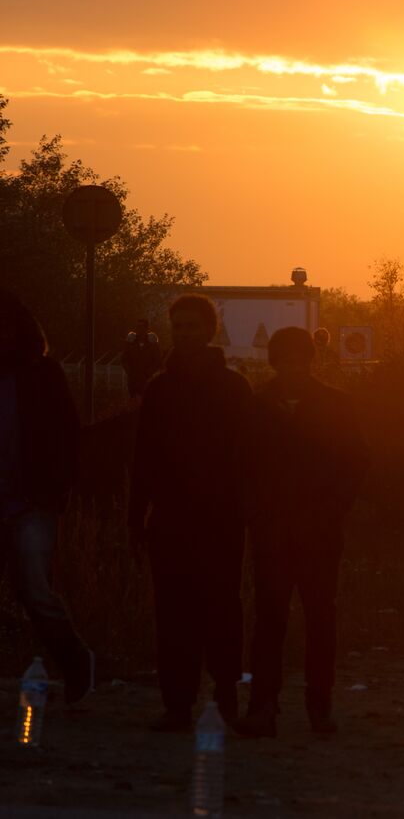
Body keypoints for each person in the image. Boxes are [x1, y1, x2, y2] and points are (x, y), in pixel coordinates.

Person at [235, 328, 368, 737]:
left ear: (309, 360)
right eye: (285, 358)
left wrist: (332, 510)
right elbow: (242, 467)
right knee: (270, 619)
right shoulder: (255, 408)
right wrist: (258, 514)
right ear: (275, 361)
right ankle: (263, 706)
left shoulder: (334, 406)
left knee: (318, 618)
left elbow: (353, 466)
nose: (292, 365)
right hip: (274, 532)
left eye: (298, 357)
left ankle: (318, 707)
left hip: (318, 532)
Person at [128, 294, 252, 731]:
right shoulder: (160, 389)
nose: (185, 334)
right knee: (173, 612)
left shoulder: (234, 389)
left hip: (221, 519)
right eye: (178, 327)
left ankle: (225, 695)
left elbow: (248, 457)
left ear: (210, 330)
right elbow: (144, 457)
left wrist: (248, 508)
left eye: (192, 326)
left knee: (221, 606)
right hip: (171, 519)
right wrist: (136, 514)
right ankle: (177, 704)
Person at [0, 290, 94, 704]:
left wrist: (58, 489)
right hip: (22, 500)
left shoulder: (43, 374)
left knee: (35, 590)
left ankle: (75, 664)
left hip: (32, 502)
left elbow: (69, 434)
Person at [120, 318, 163, 398]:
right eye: (138, 326)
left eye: (141, 326)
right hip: (133, 380)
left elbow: (158, 360)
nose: (139, 329)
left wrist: (148, 373)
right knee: (133, 403)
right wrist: (130, 372)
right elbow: (124, 359)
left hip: (147, 380)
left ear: (146, 328)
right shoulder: (131, 342)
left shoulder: (152, 343)